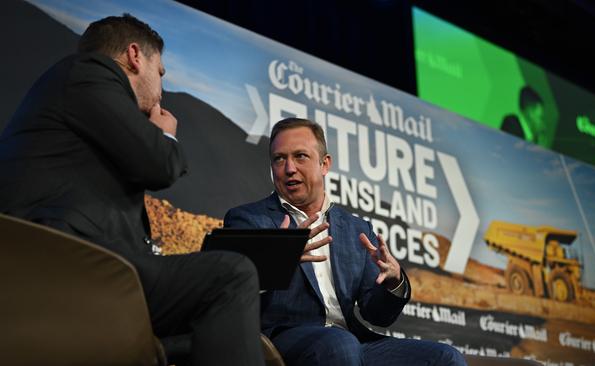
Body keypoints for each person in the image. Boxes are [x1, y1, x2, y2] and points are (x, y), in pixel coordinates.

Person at [0, 14, 263, 366]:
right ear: (135, 56)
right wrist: (165, 134)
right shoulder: (88, 73)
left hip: (83, 261)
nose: (161, 89)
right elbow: (159, 163)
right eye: (161, 73)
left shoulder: (78, 99)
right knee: (231, 275)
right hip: (64, 261)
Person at [224, 118, 466, 365]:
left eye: (300, 156)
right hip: (282, 338)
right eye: (279, 159)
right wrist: (279, 260)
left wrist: (394, 281)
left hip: (354, 341)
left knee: (446, 358)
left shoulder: (355, 229)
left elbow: (377, 315)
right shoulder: (249, 219)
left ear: (324, 164)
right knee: (339, 344)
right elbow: (230, 292)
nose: (289, 168)